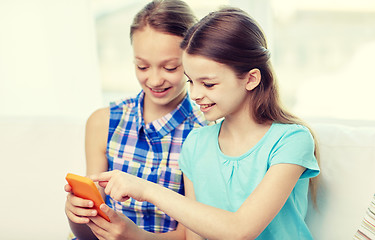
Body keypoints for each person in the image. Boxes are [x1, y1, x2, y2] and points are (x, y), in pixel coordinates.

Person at [90, 6, 321, 240]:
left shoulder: (291, 140)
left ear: (251, 79)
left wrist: (146, 190)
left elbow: (240, 230)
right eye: (191, 81)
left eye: (208, 84)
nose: (195, 94)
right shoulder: (196, 144)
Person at [64, 0, 208, 239]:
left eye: (170, 68)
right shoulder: (103, 122)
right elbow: (87, 231)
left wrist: (133, 236)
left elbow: (192, 235)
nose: (154, 80)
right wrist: (76, 214)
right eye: (142, 66)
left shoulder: (204, 133)